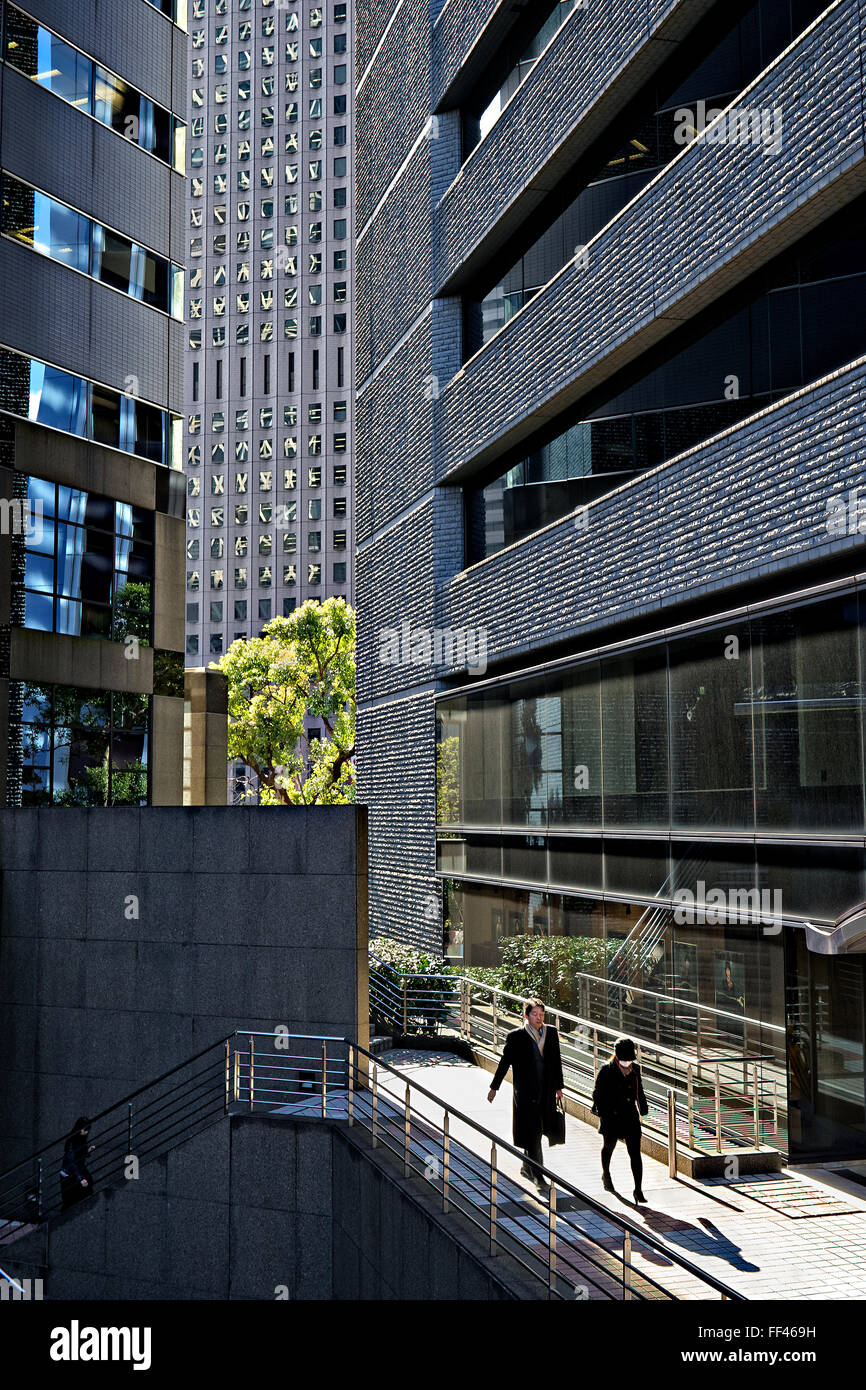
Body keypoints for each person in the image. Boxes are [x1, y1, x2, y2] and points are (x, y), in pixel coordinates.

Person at [487, 997, 564, 1192]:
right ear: (526, 1016)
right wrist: (494, 1087)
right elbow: (505, 1062)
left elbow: (556, 1062)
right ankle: (539, 1176)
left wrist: (559, 1087)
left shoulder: (551, 1033)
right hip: (525, 1093)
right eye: (535, 1014)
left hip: (545, 1092)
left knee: (535, 1131)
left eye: (541, 1014)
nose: (539, 1018)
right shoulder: (516, 1036)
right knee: (534, 1132)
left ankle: (526, 1167)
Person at [591, 1037, 648, 1203]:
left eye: (630, 1059)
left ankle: (638, 1189)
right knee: (609, 1146)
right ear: (616, 1056)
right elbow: (598, 1094)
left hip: (630, 1116)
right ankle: (606, 1174)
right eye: (624, 1059)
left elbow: (640, 1091)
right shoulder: (606, 1070)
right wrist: (604, 1112)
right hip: (611, 1116)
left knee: (635, 1153)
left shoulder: (635, 1070)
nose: (627, 1062)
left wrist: (643, 1108)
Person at [60, 1117, 95, 1211]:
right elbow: (71, 1161)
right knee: (70, 1201)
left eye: (88, 1130)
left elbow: (78, 1155)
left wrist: (88, 1150)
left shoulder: (80, 1139)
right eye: (85, 1129)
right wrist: (80, 1178)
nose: (86, 1132)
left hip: (77, 1169)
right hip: (70, 1173)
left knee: (88, 1186)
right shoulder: (72, 1140)